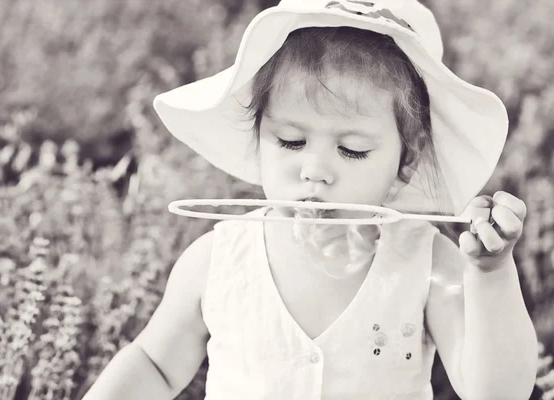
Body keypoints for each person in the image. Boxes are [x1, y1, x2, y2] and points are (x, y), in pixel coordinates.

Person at [82, 0, 538, 399]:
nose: (314, 170)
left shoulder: (428, 263)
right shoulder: (218, 260)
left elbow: (496, 392)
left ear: (407, 158)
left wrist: (491, 274)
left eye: (352, 150)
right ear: (259, 136)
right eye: (291, 142)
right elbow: (154, 366)